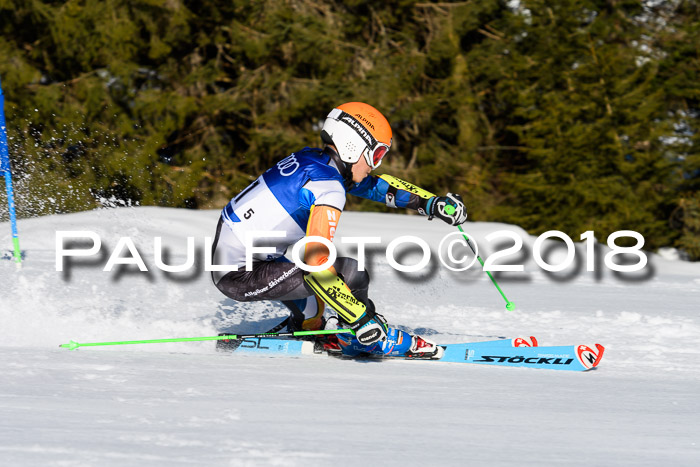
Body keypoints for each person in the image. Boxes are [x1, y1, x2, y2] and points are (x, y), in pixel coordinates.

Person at [211, 102, 467, 359]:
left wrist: (430, 203)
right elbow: (316, 261)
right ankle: (362, 337)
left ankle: (317, 333)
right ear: (352, 145)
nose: (374, 165)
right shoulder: (328, 187)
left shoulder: (313, 159)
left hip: (245, 258)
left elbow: (374, 186)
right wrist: (361, 319)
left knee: (324, 301)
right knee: (347, 276)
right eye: (376, 155)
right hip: (238, 273)